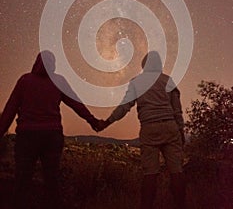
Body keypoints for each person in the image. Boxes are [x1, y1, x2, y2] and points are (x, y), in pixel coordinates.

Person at [0, 51, 100, 209]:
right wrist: (92, 120)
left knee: (22, 181)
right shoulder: (58, 81)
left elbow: (10, 110)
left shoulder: (25, 80)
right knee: (52, 181)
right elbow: (76, 103)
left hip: (27, 137)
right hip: (52, 136)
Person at [97, 51, 186, 209]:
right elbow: (177, 111)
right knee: (176, 171)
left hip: (149, 128)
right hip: (170, 126)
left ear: (144, 65)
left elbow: (124, 107)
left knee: (150, 174)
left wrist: (107, 122)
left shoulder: (136, 82)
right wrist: (181, 132)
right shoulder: (168, 80)